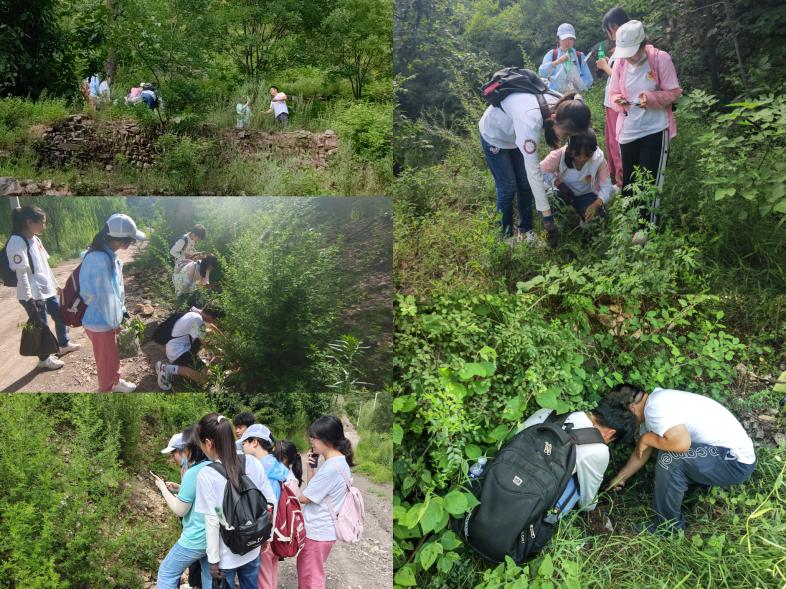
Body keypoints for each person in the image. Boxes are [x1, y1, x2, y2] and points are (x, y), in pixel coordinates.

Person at [604, 384, 756, 533]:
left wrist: (647, 439)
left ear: (631, 408)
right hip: (724, 456)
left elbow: (682, 444)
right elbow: (642, 452)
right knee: (663, 448)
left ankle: (667, 527)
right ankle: (693, 487)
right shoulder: (657, 402)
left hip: (734, 462)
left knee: (670, 457)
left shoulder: (654, 409)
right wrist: (620, 477)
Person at [479, 91, 591, 246]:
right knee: (508, 187)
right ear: (553, 119)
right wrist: (547, 218)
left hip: (515, 135)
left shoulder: (564, 105)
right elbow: (534, 172)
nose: (566, 138)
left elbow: (578, 97)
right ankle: (505, 237)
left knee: (524, 184)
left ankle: (526, 231)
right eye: (566, 133)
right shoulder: (530, 123)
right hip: (495, 136)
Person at [608, 20, 681, 232]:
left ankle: (646, 230)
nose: (629, 57)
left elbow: (674, 93)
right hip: (629, 130)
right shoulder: (621, 63)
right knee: (630, 181)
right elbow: (613, 93)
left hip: (655, 129)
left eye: (632, 52)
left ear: (641, 44)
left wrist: (650, 98)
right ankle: (629, 226)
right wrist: (619, 100)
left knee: (649, 181)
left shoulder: (660, 59)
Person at [194, 413, 277, 589]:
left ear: (208, 443)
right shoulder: (252, 462)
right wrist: (265, 537)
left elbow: (212, 520)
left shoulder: (206, 475)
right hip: (252, 545)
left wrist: (213, 561)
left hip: (226, 557)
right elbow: (270, 502)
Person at [519, 400, 633, 518]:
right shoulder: (598, 449)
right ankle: (546, 520)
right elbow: (587, 503)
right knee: (577, 484)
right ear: (610, 433)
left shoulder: (551, 411)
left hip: (505, 470)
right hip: (530, 502)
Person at [6, 206, 80, 370]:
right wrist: (29, 298)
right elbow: (22, 274)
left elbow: (44, 266)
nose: (44, 226)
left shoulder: (35, 239)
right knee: (41, 326)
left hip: (46, 291)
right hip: (32, 294)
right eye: (42, 223)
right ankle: (44, 359)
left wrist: (56, 285)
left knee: (61, 315)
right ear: (29, 222)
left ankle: (64, 343)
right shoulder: (17, 241)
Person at [80, 213, 146, 392]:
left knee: (112, 355)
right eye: (131, 241)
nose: (131, 244)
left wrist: (122, 312)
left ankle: (115, 382)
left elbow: (115, 291)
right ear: (123, 240)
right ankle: (106, 389)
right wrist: (117, 321)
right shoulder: (99, 259)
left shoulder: (106, 254)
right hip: (101, 321)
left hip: (107, 319)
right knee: (106, 362)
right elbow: (103, 298)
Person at [297, 416, 354, 589]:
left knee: (311, 579)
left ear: (326, 439)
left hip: (317, 532)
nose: (311, 441)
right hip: (323, 532)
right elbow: (314, 490)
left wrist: (286, 494)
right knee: (309, 573)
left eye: (314, 437)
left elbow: (306, 497)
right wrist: (310, 466)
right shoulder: (339, 461)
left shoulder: (330, 468)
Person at [155, 427, 213, 589]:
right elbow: (202, 494)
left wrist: (163, 489)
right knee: (209, 577)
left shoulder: (192, 472)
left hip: (195, 537)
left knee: (167, 573)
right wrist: (179, 489)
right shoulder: (211, 465)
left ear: (186, 450)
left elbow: (180, 510)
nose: (173, 457)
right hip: (213, 536)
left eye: (174, 452)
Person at [238, 424, 291, 589]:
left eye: (244, 443)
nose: (243, 448)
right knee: (270, 574)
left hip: (265, 531)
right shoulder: (275, 466)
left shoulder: (261, 468)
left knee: (262, 580)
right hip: (276, 529)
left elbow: (266, 505)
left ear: (254, 442)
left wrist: (262, 537)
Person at [539, 129, 614, 226]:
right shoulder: (559, 155)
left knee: (598, 222)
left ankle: (582, 216)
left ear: (593, 151)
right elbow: (540, 170)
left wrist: (595, 204)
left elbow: (607, 186)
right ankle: (558, 222)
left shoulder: (598, 159)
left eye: (587, 155)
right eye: (578, 155)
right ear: (570, 150)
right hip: (562, 192)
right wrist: (558, 183)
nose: (582, 159)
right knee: (549, 199)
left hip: (586, 194)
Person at [595, 7, 630, 186]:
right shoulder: (619, 49)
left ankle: (620, 182)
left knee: (618, 143)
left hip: (619, 104)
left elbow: (624, 80)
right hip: (610, 103)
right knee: (610, 141)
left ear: (615, 26)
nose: (609, 34)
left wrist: (604, 67)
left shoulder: (629, 49)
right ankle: (612, 175)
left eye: (609, 30)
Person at [155, 305, 224, 390]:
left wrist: (223, 339)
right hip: (178, 352)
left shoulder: (195, 312)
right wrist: (218, 352)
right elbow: (205, 343)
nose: (214, 321)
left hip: (177, 346)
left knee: (205, 370)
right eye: (215, 319)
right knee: (203, 379)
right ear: (210, 316)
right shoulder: (197, 320)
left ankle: (184, 365)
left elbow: (211, 326)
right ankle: (166, 368)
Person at [538, 23, 593, 94]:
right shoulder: (552, 54)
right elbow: (542, 73)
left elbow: (588, 78)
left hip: (575, 97)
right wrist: (557, 62)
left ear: (574, 40)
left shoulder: (580, 56)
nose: (567, 42)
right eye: (564, 39)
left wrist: (579, 86)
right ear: (559, 39)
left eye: (570, 39)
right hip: (555, 96)